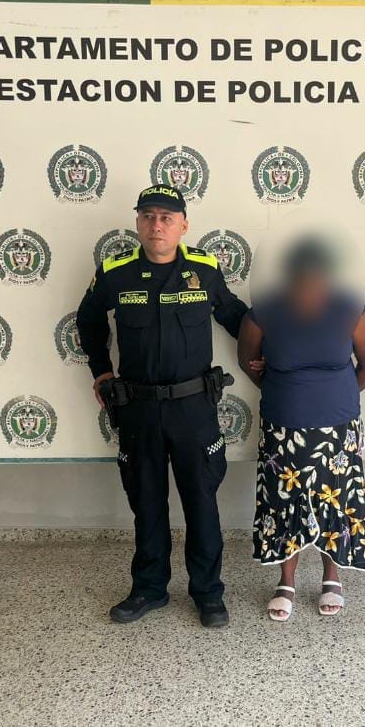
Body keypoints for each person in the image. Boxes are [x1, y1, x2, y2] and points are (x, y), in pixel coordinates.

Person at [76, 184, 247, 628]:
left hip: (194, 409)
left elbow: (236, 317)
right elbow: (88, 320)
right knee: (147, 503)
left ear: (183, 226)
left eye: (167, 218)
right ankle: (149, 589)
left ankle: (208, 593)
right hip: (138, 408)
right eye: (148, 216)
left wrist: (276, 348)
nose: (157, 225)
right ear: (138, 222)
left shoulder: (205, 270)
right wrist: (101, 370)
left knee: (201, 503)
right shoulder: (115, 273)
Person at [238, 236, 365, 622]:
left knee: (334, 500)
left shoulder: (351, 309)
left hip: (338, 428)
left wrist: (337, 394)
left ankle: (331, 577)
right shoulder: (265, 311)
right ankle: (286, 582)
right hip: (283, 428)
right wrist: (286, 391)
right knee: (285, 501)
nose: (309, 275)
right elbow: (248, 360)